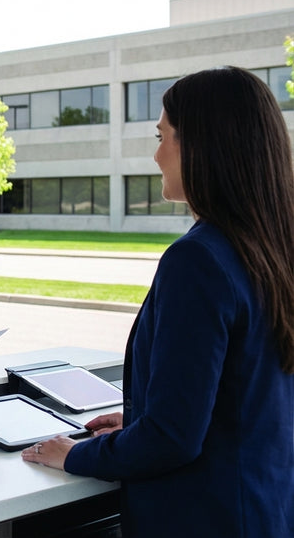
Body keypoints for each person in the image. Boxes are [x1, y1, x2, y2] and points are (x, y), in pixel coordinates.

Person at [21, 67, 294, 537]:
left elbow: (173, 440)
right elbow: (252, 394)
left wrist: (77, 454)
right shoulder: (275, 247)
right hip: (266, 509)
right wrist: (139, 420)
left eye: (163, 135)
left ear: (205, 145)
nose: (156, 153)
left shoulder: (198, 260)